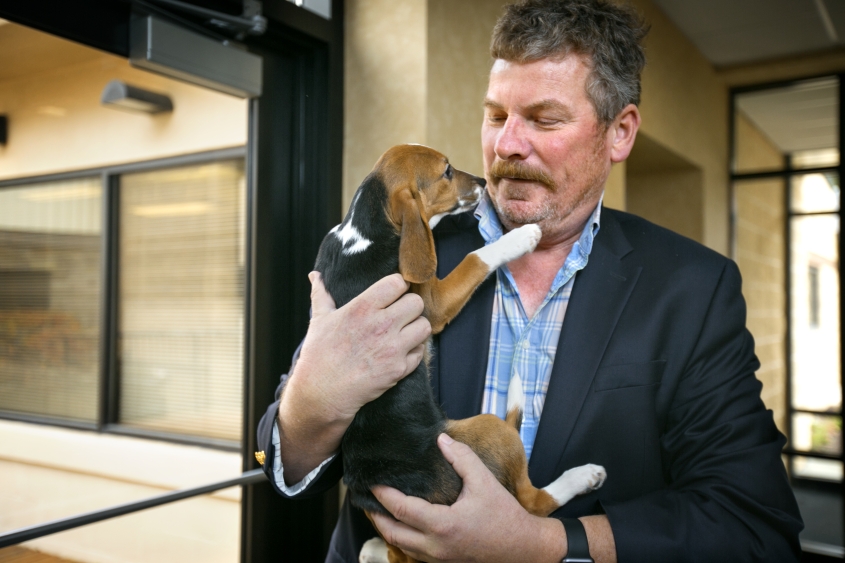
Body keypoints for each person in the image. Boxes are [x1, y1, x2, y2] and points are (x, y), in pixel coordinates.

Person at [257, 0, 804, 561]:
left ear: (620, 132)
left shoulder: (694, 289)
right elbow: (283, 461)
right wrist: (310, 401)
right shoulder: (401, 251)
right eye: (496, 116)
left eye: (544, 119)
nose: (506, 145)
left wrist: (543, 543)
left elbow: (753, 524)